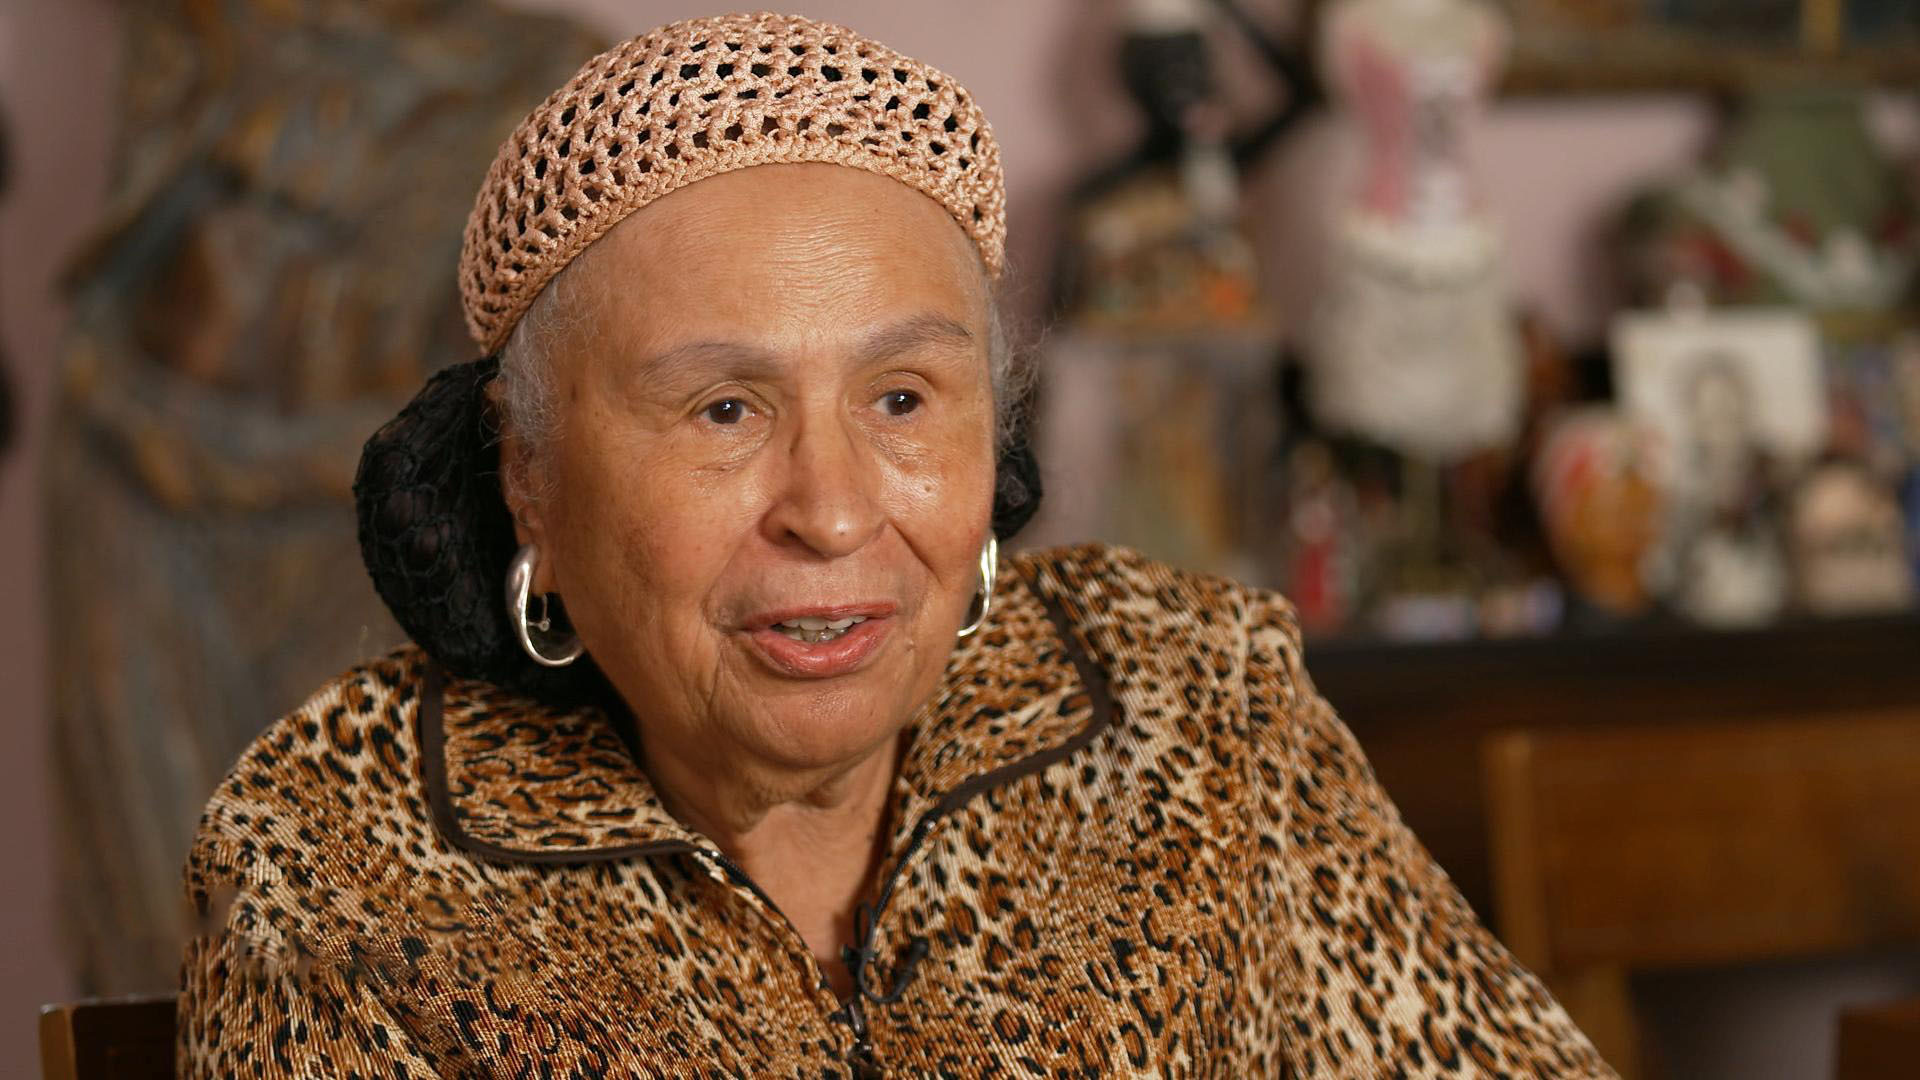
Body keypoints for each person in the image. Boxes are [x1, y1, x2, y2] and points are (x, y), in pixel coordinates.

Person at [178, 12, 1613, 1076]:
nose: (836, 509)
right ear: (530, 480)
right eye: (726, 408)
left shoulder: (1190, 695)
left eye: (904, 399)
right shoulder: (344, 860)